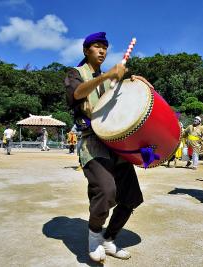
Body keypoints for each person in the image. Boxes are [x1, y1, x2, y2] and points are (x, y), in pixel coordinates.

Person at [64, 32, 152, 262]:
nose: (102, 50)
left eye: (105, 47)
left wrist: (136, 81)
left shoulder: (109, 78)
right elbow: (76, 94)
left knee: (131, 197)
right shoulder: (76, 73)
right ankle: (94, 237)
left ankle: (109, 239)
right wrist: (108, 77)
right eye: (97, 46)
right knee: (106, 189)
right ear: (86, 51)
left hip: (116, 143)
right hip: (92, 141)